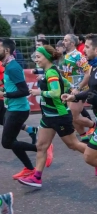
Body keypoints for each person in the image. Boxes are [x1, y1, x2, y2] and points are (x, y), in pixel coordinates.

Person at [19, 45, 87, 188]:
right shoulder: (49, 71)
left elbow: (55, 93)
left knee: (73, 144)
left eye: (38, 57)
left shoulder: (51, 73)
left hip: (59, 116)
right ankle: (36, 178)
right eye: (35, 57)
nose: (36, 59)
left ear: (47, 57)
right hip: (48, 116)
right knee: (41, 146)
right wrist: (70, 88)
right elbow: (66, 83)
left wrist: (40, 93)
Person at [62, 34, 97, 176]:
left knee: (90, 156)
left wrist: (77, 89)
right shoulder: (95, 65)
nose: (84, 50)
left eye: (87, 47)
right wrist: (74, 96)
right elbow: (93, 90)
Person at [0, 39, 38, 179]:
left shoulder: (12, 67)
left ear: (7, 50)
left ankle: (41, 148)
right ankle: (29, 168)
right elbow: (13, 87)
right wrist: (4, 90)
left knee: (7, 143)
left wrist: (4, 94)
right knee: (12, 140)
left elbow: (24, 91)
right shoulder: (8, 65)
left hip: (18, 110)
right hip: (12, 107)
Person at [61, 34, 95, 139]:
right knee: (73, 117)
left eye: (65, 40)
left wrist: (78, 88)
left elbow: (88, 73)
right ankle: (83, 136)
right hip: (70, 89)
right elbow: (67, 72)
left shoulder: (78, 56)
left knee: (72, 116)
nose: (63, 42)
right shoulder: (65, 55)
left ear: (72, 43)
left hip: (79, 90)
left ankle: (95, 126)